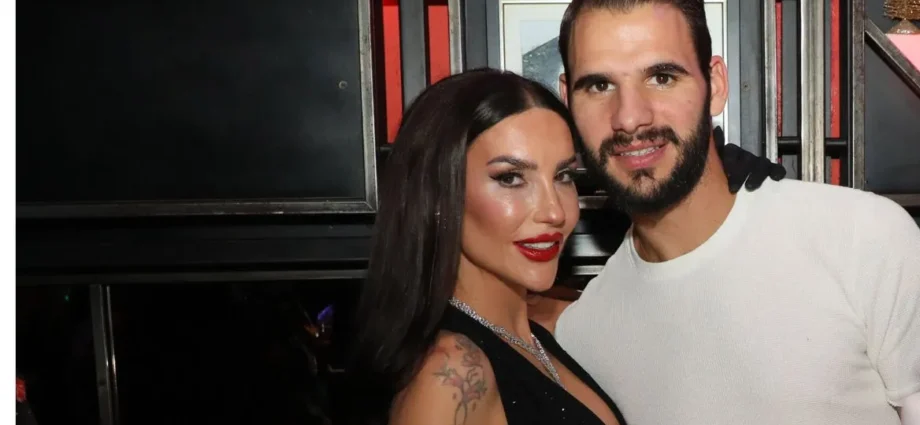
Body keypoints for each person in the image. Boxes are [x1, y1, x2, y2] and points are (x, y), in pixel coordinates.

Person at [530, 1, 920, 424]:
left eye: (662, 77)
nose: (629, 117)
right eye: (600, 85)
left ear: (714, 84)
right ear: (568, 99)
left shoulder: (864, 239)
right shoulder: (584, 335)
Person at [345, 68, 783, 425]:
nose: (554, 211)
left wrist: (710, 184)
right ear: (439, 195)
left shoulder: (535, 335)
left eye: (563, 176)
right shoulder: (454, 373)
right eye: (510, 178)